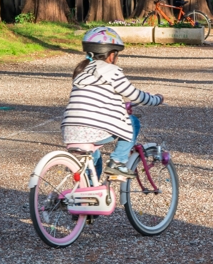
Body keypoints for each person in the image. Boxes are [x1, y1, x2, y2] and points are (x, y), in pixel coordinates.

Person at [62, 26, 164, 179]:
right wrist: (157, 99)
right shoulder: (111, 71)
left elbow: (95, 102)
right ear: (111, 55)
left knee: (94, 159)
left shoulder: (81, 72)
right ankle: (117, 161)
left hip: (70, 131)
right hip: (92, 129)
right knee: (133, 122)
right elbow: (135, 95)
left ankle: (87, 188)